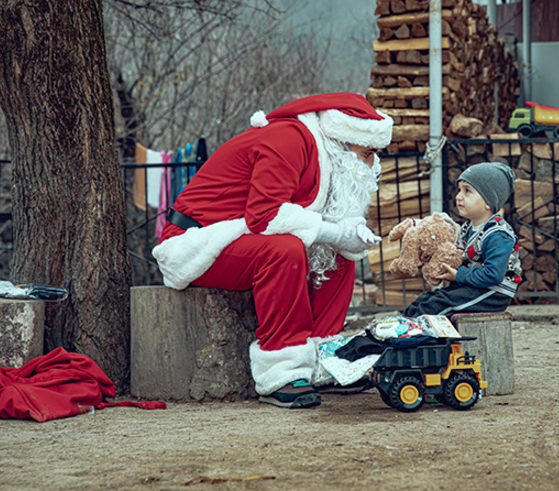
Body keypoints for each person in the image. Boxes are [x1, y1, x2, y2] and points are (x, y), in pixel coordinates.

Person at [152, 92, 393, 409]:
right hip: (197, 242)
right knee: (285, 250)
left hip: (242, 236)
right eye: (368, 153)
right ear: (344, 140)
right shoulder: (288, 138)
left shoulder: (322, 151)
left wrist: (346, 237)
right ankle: (282, 371)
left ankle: (323, 360)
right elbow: (265, 215)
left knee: (339, 255)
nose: (373, 164)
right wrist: (335, 231)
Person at [403, 162, 522, 318]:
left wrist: (458, 275)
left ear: (488, 201)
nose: (458, 196)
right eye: (459, 190)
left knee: (437, 306)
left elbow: (493, 275)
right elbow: (457, 254)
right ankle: (403, 329)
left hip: (493, 293)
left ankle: (419, 336)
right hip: (471, 286)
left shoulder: (497, 234)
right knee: (425, 300)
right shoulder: (467, 228)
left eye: (467, 191)